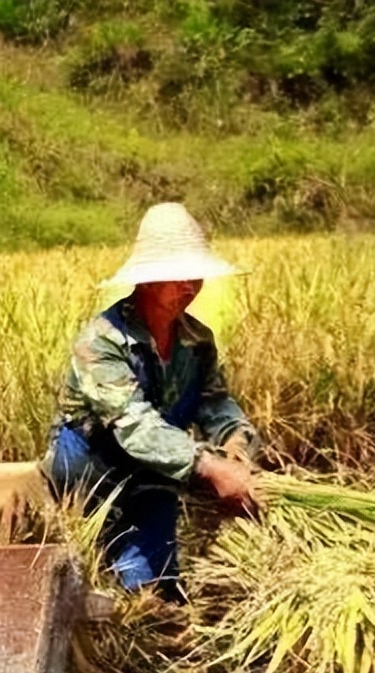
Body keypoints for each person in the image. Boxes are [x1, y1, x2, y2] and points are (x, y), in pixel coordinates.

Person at [41, 203, 260, 601]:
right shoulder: (102, 341)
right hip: (91, 462)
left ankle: (150, 595)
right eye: (175, 277)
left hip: (157, 464)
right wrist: (207, 464)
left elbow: (217, 406)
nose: (188, 286)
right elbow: (134, 426)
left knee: (155, 591)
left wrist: (236, 448)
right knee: (117, 542)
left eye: (195, 276)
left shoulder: (197, 340)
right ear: (145, 282)